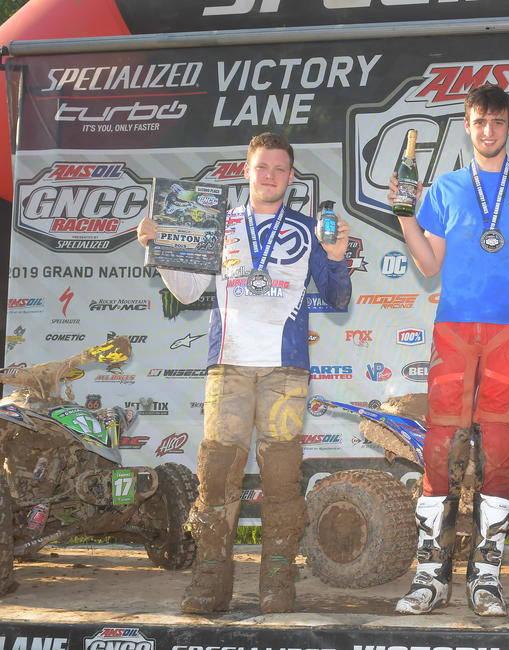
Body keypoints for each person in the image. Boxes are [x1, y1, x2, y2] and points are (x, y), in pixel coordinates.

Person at [387, 83, 509, 617]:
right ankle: (430, 573)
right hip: (455, 329)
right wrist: (406, 213)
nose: (488, 130)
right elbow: (430, 266)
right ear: (468, 125)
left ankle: (487, 576)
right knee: (438, 443)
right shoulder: (449, 188)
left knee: (500, 443)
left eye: (497, 122)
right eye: (479, 121)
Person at [136, 132, 352, 615]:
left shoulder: (308, 228)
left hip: (285, 372)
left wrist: (336, 259)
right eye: (262, 167)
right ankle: (209, 585)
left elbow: (338, 299)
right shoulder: (217, 224)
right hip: (228, 366)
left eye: (279, 168)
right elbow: (190, 293)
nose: (270, 175)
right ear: (246, 171)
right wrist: (163, 249)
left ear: (291, 177)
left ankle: (278, 585)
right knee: (216, 478)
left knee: (280, 481)